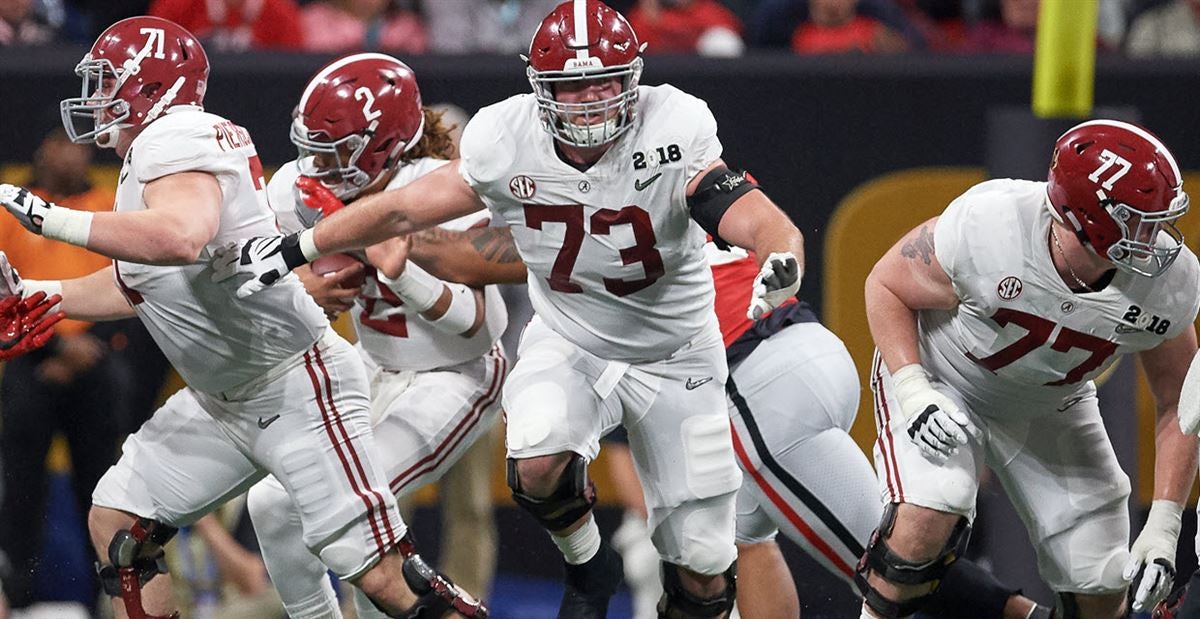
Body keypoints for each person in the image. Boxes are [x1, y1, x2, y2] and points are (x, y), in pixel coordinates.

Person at [213, 1, 807, 616]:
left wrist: (781, 253)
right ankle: (587, 566)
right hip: (570, 336)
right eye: (570, 88)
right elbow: (399, 212)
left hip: (676, 350)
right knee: (536, 460)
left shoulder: (673, 124)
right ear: (538, 88)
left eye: (603, 83)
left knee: (703, 567)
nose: (590, 102)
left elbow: (747, 209)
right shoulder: (506, 136)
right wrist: (297, 249)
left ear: (633, 79)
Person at [0, 16, 483, 619]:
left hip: (290, 386)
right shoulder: (159, 153)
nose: (95, 99)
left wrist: (50, 219)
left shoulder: (173, 137)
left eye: (106, 82)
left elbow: (178, 237)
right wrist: (40, 294)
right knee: (122, 525)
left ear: (149, 88)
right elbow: (144, 281)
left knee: (387, 578)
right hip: (222, 397)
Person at [858, 119, 1198, 618]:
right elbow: (886, 285)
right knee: (931, 506)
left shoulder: (1170, 283)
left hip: (1052, 403)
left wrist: (1166, 522)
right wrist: (912, 389)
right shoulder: (992, 223)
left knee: (1101, 578)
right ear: (1088, 217)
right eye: (1140, 221)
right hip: (946, 374)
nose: (1157, 238)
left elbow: (1181, 404)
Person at [244, 52, 509, 619]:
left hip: (456, 372)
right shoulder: (299, 185)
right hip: (374, 361)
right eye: (310, 143)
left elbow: (483, 325)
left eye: (333, 149)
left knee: (347, 504)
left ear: (381, 145)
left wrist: (400, 269)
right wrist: (296, 289)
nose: (314, 161)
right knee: (270, 501)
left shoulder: (438, 190)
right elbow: (252, 271)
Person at [0, 127, 143, 614]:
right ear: (42, 148)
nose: (68, 153)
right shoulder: (12, 206)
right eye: (58, 142)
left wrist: (90, 346)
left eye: (75, 143)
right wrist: (55, 349)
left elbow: (135, 283)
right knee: (20, 484)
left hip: (97, 363)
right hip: (31, 362)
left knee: (102, 485)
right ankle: (16, 595)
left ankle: (109, 599)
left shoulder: (108, 205)